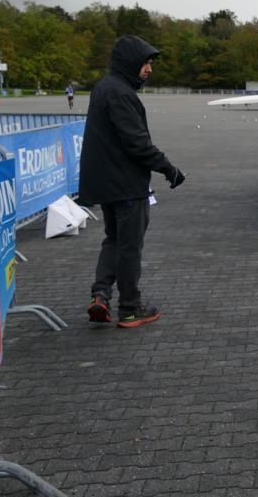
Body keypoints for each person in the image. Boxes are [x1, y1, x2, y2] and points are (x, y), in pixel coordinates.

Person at [79, 35, 186, 328]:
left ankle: (101, 294)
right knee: (129, 246)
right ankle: (130, 308)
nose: (149, 69)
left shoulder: (105, 87)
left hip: (106, 183)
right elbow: (136, 142)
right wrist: (168, 168)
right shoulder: (120, 93)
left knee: (113, 239)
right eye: (145, 63)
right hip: (125, 183)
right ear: (130, 62)